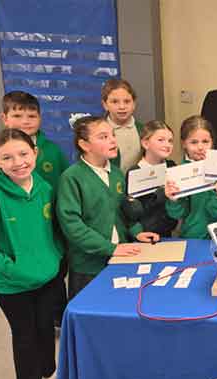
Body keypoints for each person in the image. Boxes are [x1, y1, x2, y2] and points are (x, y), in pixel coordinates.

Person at [0, 129, 62, 379]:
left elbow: (52, 231)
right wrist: (11, 269)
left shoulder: (44, 187)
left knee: (46, 328)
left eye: (24, 153)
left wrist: (55, 257)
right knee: (25, 333)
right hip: (12, 285)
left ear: (34, 153)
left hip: (48, 276)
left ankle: (49, 373)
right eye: (7, 157)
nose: (18, 162)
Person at [0, 90, 69, 327]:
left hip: (48, 244)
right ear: (4, 118)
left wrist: (57, 250)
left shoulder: (52, 153)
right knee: (27, 332)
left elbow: (62, 189)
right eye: (17, 115)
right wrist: (10, 265)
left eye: (31, 115)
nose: (25, 121)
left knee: (50, 311)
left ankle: (57, 323)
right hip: (14, 253)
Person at [56, 116, 150, 300]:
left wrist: (137, 231)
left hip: (120, 256)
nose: (113, 140)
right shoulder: (72, 178)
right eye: (103, 137)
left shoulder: (116, 173)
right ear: (85, 145)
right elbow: (72, 225)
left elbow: (122, 210)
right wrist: (109, 247)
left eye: (112, 135)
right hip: (88, 266)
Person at [164, 116, 217, 239]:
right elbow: (177, 214)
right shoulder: (178, 172)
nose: (200, 147)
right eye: (194, 142)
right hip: (192, 235)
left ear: (212, 142)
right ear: (184, 144)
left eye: (205, 142)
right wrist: (173, 200)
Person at [122, 120, 177, 239]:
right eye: (161, 140)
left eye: (170, 141)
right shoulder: (135, 172)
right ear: (145, 143)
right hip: (144, 236)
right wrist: (161, 194)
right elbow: (131, 212)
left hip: (168, 233)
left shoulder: (172, 166)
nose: (167, 145)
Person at [101, 78, 144, 173]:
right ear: (105, 105)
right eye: (115, 102)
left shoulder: (144, 130)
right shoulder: (97, 133)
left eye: (127, 101)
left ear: (134, 104)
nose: (122, 107)